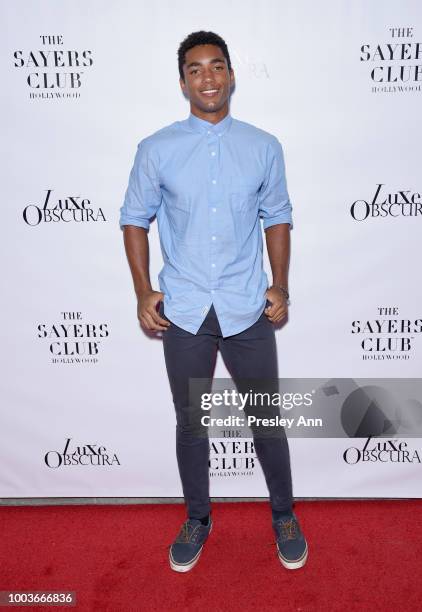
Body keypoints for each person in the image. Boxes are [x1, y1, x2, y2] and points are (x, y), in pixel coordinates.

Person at [119, 30, 308, 572]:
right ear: (183, 82)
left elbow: (278, 216)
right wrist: (142, 291)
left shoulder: (264, 146)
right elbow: (134, 219)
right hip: (183, 308)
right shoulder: (155, 149)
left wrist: (281, 284)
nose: (207, 77)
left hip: (247, 304)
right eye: (196, 69)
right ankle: (197, 518)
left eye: (217, 66)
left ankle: (284, 515)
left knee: (266, 419)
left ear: (231, 75)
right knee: (190, 423)